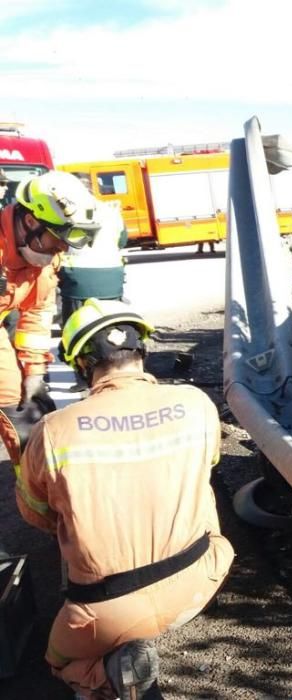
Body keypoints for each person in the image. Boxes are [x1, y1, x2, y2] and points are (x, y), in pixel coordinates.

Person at [16, 298, 235, 699]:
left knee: (60, 661)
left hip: (105, 611)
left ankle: (109, 673)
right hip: (201, 579)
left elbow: (36, 514)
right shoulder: (197, 405)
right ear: (143, 351)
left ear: (82, 365)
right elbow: (209, 463)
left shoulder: (54, 431)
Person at [0, 171, 102, 467]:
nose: (63, 249)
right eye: (59, 238)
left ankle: (40, 493)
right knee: (14, 406)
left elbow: (35, 312)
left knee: (30, 409)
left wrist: (33, 371)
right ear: (31, 221)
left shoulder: (41, 257)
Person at [57, 183, 128, 331]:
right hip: (112, 278)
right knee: (111, 323)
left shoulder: (66, 212)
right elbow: (122, 241)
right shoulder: (111, 210)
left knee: (76, 327)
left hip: (78, 281)